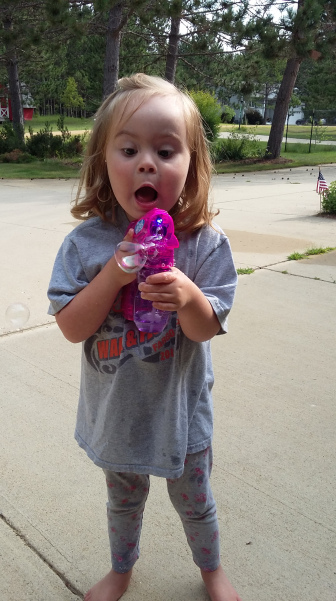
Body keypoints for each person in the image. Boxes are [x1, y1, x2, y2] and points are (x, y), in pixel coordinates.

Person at [47, 73, 240, 601]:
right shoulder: (86, 245)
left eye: (166, 150)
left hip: (181, 416)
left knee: (196, 502)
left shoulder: (204, 246)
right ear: (103, 163)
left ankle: (212, 572)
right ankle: (121, 570)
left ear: (191, 168)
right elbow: (70, 327)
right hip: (119, 413)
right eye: (129, 148)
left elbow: (207, 328)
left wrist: (186, 295)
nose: (147, 162)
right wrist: (114, 273)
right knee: (123, 502)